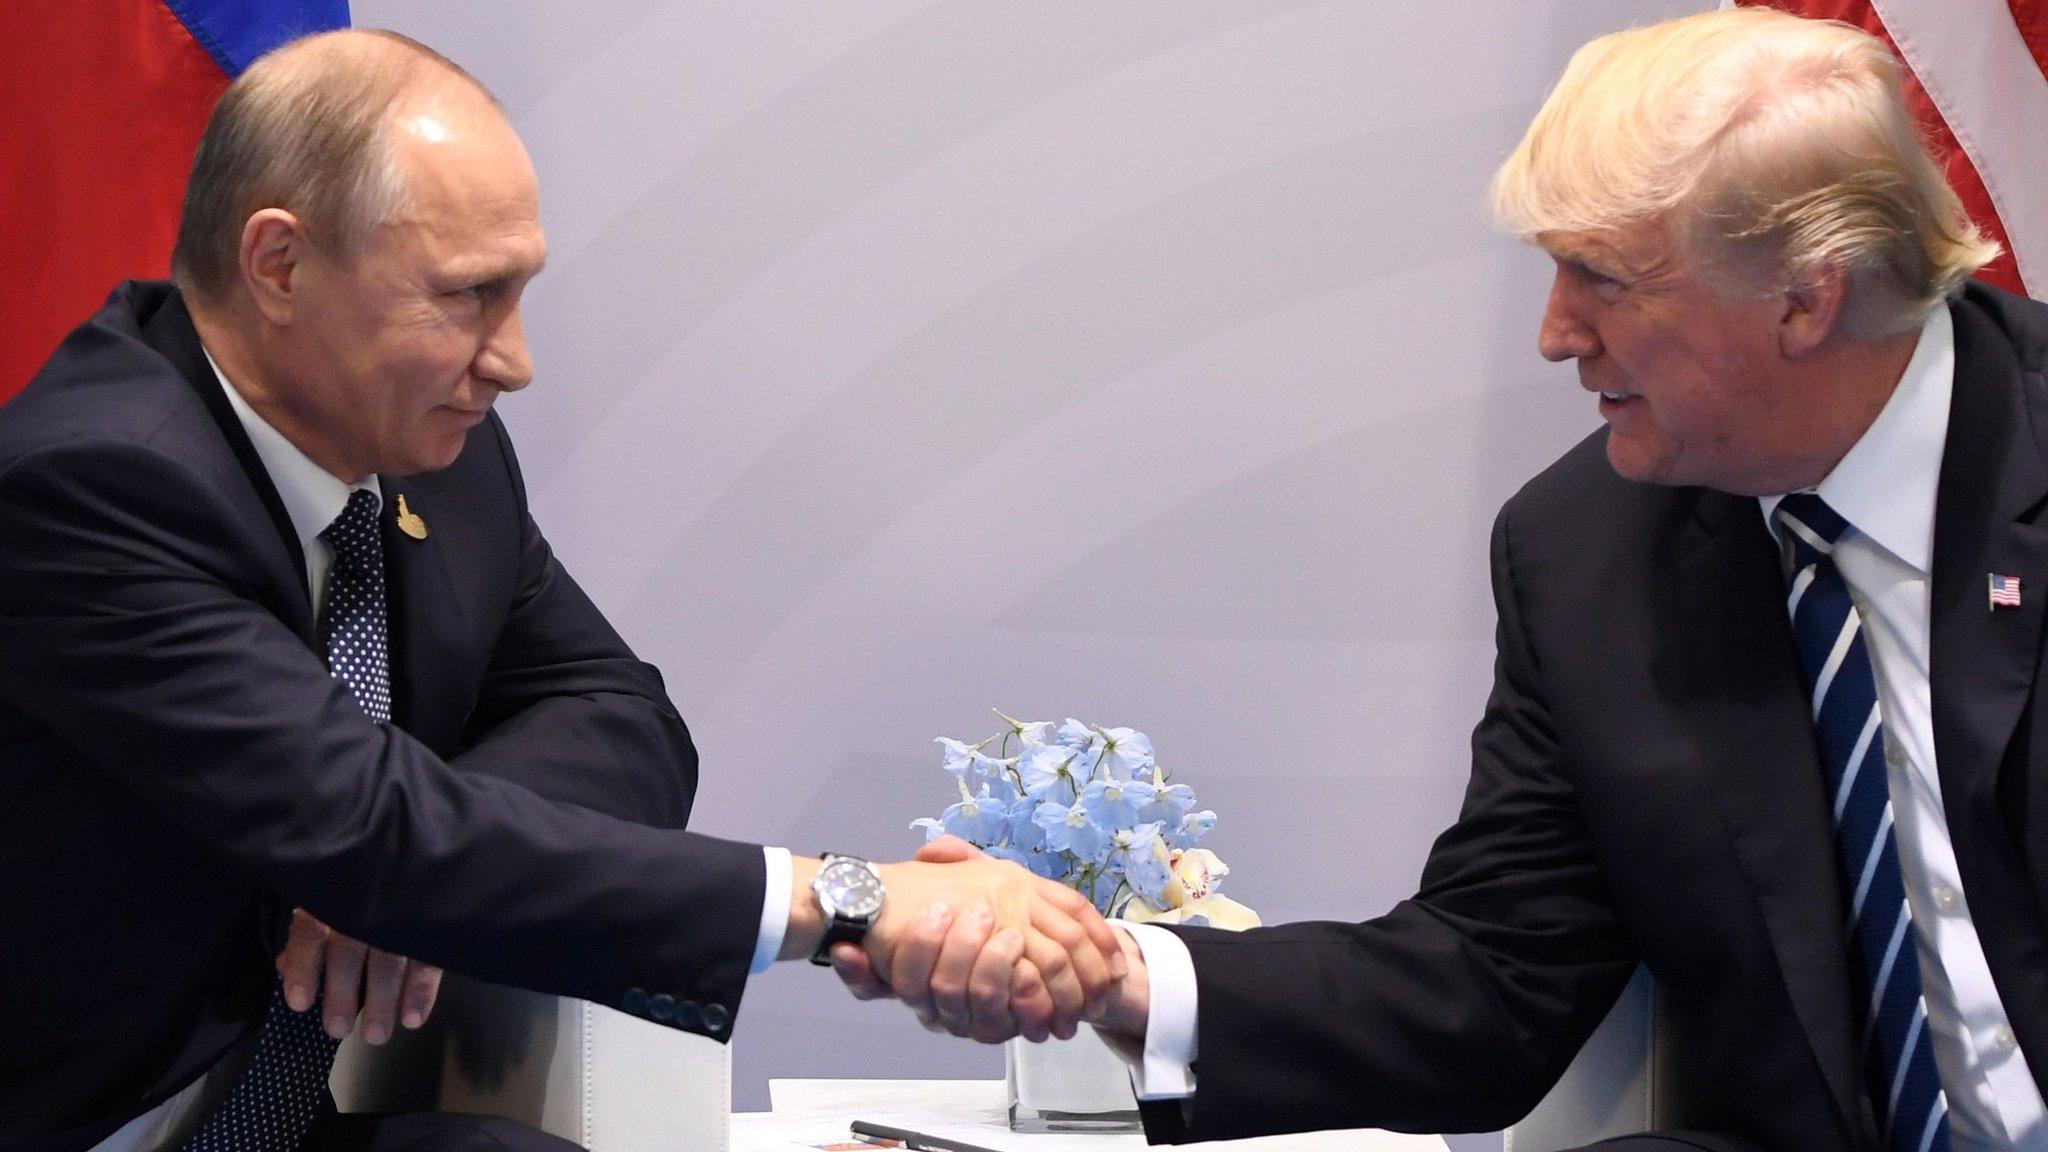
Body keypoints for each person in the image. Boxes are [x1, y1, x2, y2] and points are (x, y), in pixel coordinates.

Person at [844, 9, 2048, 1151]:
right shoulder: (1588, 552)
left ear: (1802, 296)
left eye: (1604, 280)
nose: (1554, 333)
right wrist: (1115, 972)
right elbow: (1494, 976)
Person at [0, 29, 1123, 1152]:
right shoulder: (94, 483)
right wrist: (849, 900)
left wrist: (413, 875)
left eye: (520, 291)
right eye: (468, 295)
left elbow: (624, 717)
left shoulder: (433, 454)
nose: (513, 360)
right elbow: (375, 828)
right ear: (280, 266)